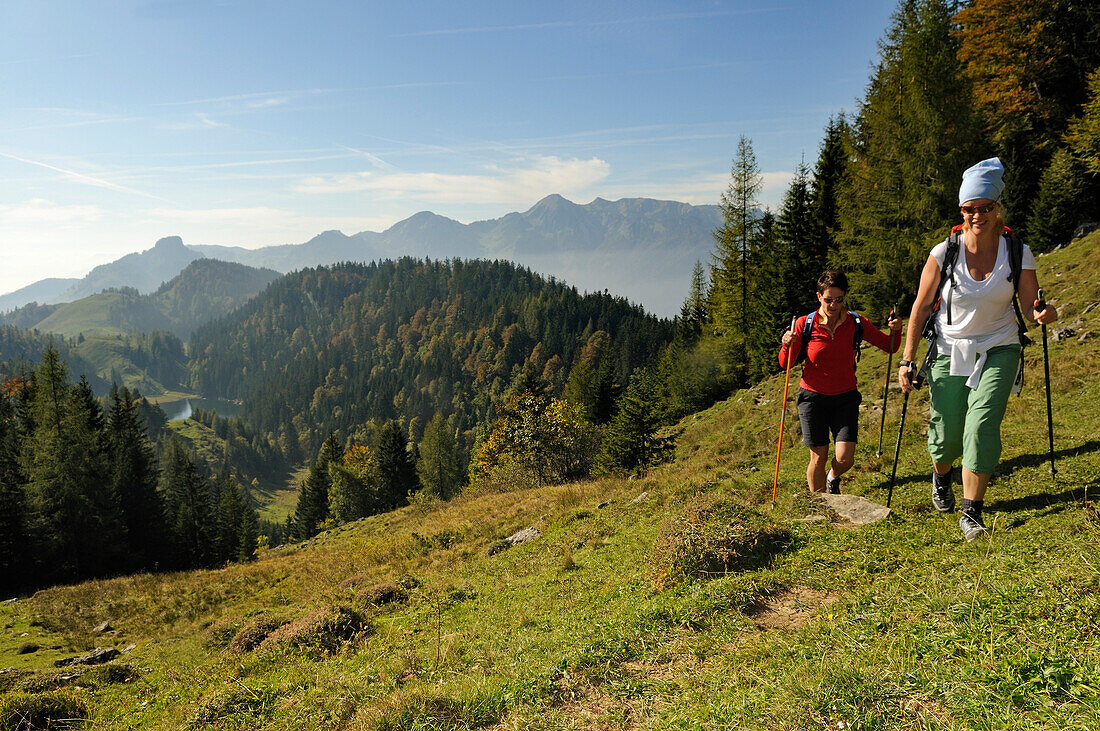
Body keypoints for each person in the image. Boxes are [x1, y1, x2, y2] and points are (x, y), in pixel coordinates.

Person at [898, 157, 1058, 542]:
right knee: (947, 433)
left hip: (999, 348)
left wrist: (1042, 313)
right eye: (969, 209)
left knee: (981, 425)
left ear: (997, 208)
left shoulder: (1018, 251)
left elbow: (1029, 303)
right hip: (949, 348)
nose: (977, 215)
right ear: (961, 212)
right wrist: (907, 359)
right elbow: (920, 307)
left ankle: (972, 511)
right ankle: (941, 476)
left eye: (985, 208)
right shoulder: (944, 253)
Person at [779, 271, 901, 494]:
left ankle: (832, 477)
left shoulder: (856, 323)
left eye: (839, 299)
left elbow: (890, 346)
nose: (833, 305)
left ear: (844, 297)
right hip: (812, 398)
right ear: (819, 296)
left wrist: (896, 329)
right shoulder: (804, 324)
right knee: (818, 457)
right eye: (828, 299)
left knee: (845, 459)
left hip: (845, 397)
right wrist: (787, 343)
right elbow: (784, 363)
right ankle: (820, 506)